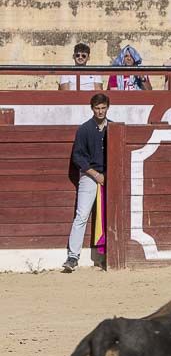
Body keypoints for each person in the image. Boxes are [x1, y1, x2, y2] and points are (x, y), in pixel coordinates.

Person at [64, 93, 109, 272]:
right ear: (92, 109)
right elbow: (77, 157)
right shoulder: (84, 129)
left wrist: (105, 175)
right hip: (90, 176)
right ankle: (73, 256)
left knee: (109, 216)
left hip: (108, 176)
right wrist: (95, 175)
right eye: (97, 108)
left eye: (103, 108)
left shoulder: (113, 127)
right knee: (82, 215)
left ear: (107, 108)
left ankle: (108, 254)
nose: (100, 111)